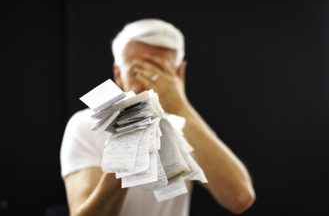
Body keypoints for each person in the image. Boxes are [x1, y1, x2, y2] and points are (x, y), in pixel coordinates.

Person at [60, 18, 256, 216]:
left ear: (179, 75)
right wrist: (126, 148)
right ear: (118, 75)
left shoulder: (185, 125)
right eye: (138, 71)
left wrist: (181, 107)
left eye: (160, 72)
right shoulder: (84, 126)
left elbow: (239, 199)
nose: (150, 83)